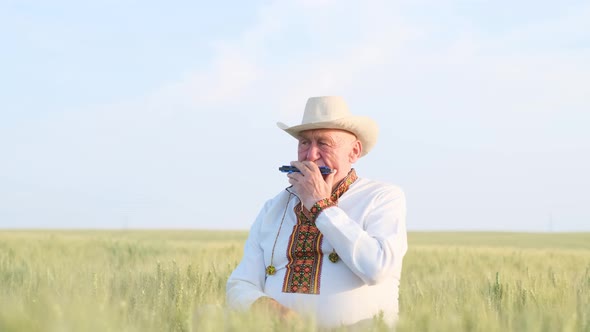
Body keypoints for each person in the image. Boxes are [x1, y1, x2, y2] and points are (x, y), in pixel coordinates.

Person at [226, 96, 408, 329]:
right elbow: (239, 284)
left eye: (323, 143)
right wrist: (268, 308)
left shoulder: (382, 197)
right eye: (304, 143)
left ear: (354, 152)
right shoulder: (273, 207)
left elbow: (376, 269)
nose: (311, 155)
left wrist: (320, 205)